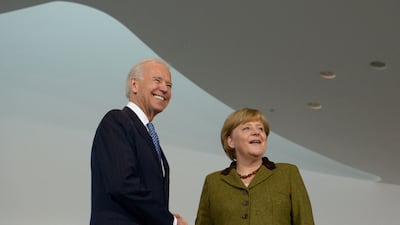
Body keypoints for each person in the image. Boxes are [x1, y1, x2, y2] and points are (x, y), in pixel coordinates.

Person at [90, 58, 187, 225]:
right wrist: (170, 221)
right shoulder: (117, 121)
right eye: (157, 80)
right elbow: (122, 185)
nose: (164, 88)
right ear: (134, 85)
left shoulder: (148, 134)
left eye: (169, 85)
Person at [195, 108, 315, 225]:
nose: (257, 132)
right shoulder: (213, 182)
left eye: (261, 129)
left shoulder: (288, 173)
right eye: (246, 128)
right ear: (230, 141)